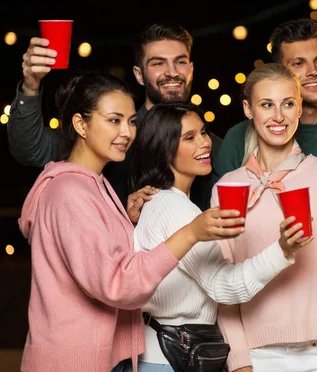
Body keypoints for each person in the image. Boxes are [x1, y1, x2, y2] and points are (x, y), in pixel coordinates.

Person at [17, 71, 244, 372]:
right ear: (80, 124)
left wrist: (123, 220)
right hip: (73, 361)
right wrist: (190, 233)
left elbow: (96, 255)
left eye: (131, 121)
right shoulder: (69, 191)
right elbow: (118, 284)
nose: (126, 132)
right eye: (114, 120)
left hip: (99, 357)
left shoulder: (94, 185)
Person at [215, 18, 317, 369]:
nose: (278, 115)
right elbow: (220, 278)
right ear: (249, 110)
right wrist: (239, 359)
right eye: (267, 105)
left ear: (298, 106)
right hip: (260, 351)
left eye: (288, 104)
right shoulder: (228, 185)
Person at [127, 103, 310, 371]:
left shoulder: (165, 203)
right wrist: (282, 249)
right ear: (164, 150)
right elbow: (226, 286)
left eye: (203, 133)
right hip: (170, 358)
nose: (204, 143)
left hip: (171, 354)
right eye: (189, 138)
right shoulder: (172, 206)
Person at [7, 22, 219, 209]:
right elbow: (29, 149)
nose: (172, 72)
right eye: (158, 63)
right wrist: (31, 85)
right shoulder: (115, 134)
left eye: (180, 62)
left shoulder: (212, 145)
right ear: (139, 74)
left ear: (191, 68)